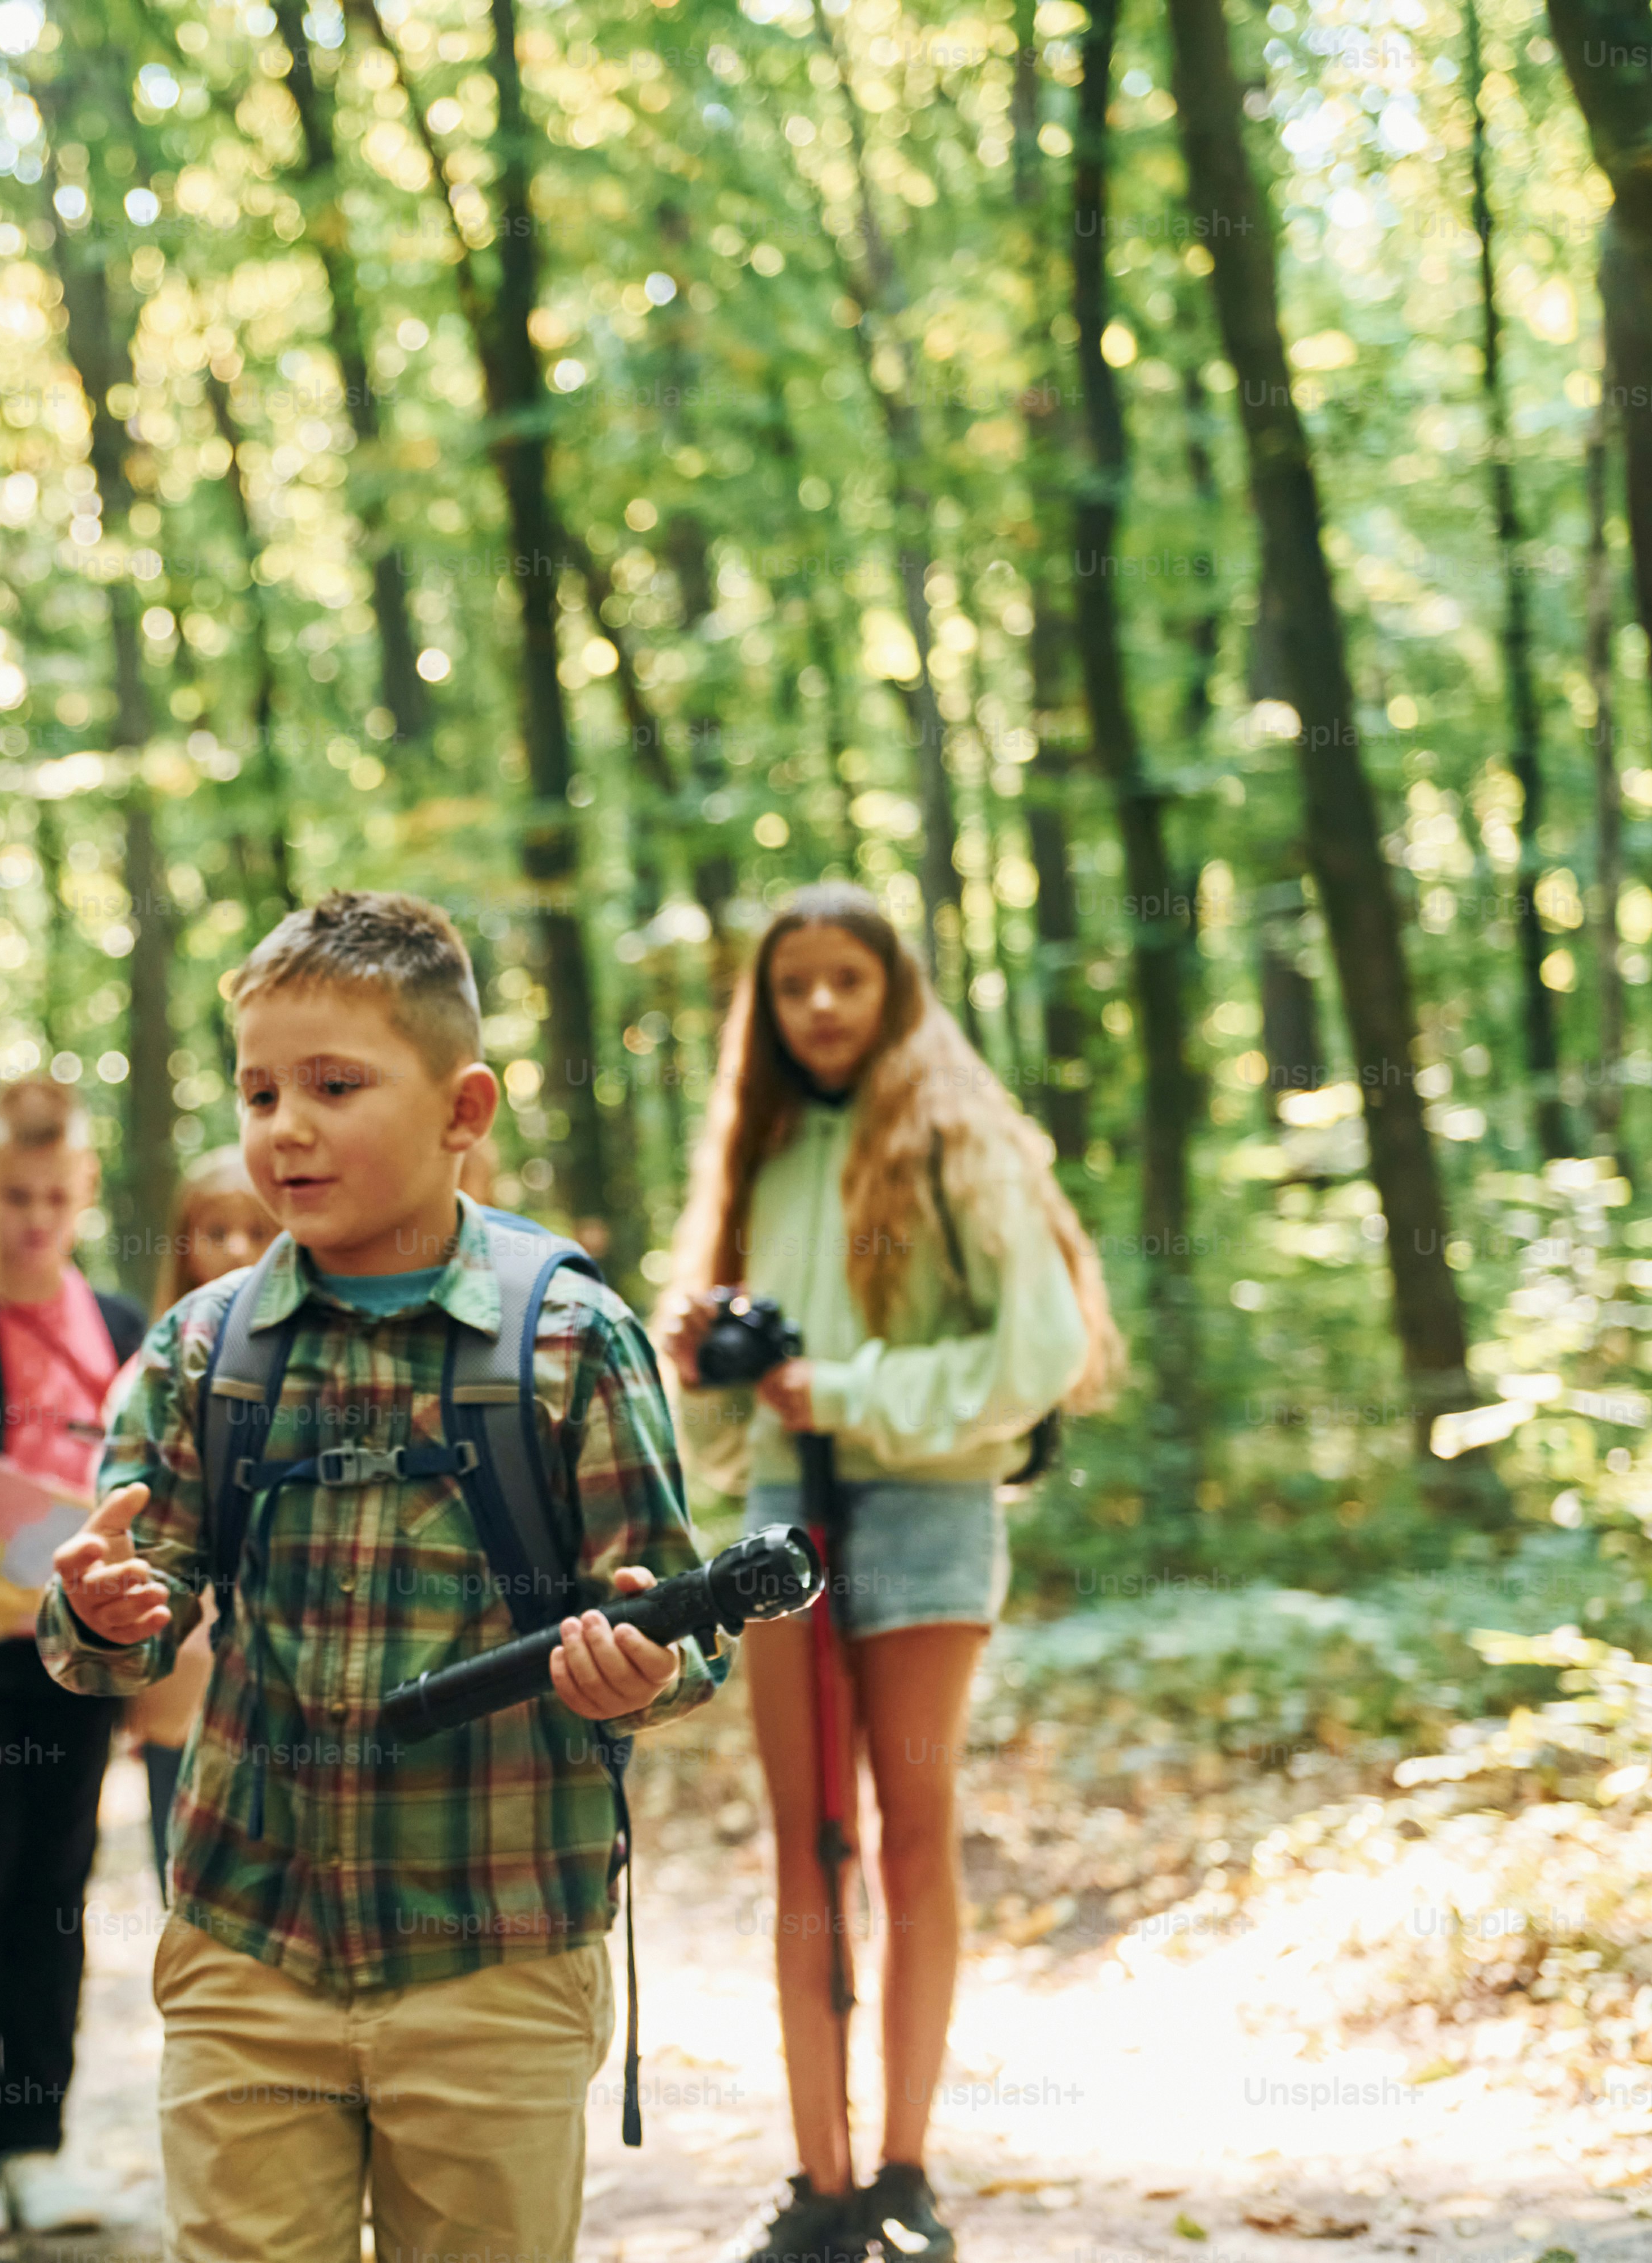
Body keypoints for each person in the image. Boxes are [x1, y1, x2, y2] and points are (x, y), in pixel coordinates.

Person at [42, 890, 725, 2263]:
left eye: (335, 1085)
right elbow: (117, 1611)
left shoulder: (572, 1339)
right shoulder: (202, 1347)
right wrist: (100, 1614)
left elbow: (686, 1622)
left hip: (498, 1954)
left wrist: (648, 1668)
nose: (284, 1124)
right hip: (249, 1941)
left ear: (464, 1108)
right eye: (258, 1089)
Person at [652, 881, 1121, 2263]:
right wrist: (711, 1352)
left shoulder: (964, 1136)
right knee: (805, 1838)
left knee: (911, 1829)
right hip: (784, 1515)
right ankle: (820, 2178)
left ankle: (905, 2172)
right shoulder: (761, 1141)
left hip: (925, 1505)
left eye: (846, 979)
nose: (821, 1006)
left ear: (891, 987)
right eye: (794, 984)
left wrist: (837, 1384)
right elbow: (731, 1407)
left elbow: (1039, 1355)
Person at [0, 1075, 144, 2246]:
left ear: (87, 1190)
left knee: (56, 1895)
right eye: (16, 1196)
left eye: (57, 1195)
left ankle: (35, 2135)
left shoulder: (127, 1327)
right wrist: (63, 1538)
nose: (37, 1217)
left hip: (79, 1668)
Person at [116, 1147, 271, 1882]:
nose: (238, 1248)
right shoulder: (153, 1372)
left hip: (283, 1701)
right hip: (180, 1687)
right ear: (184, 1246)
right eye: (216, 1230)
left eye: (258, 1230)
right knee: (187, 1886)